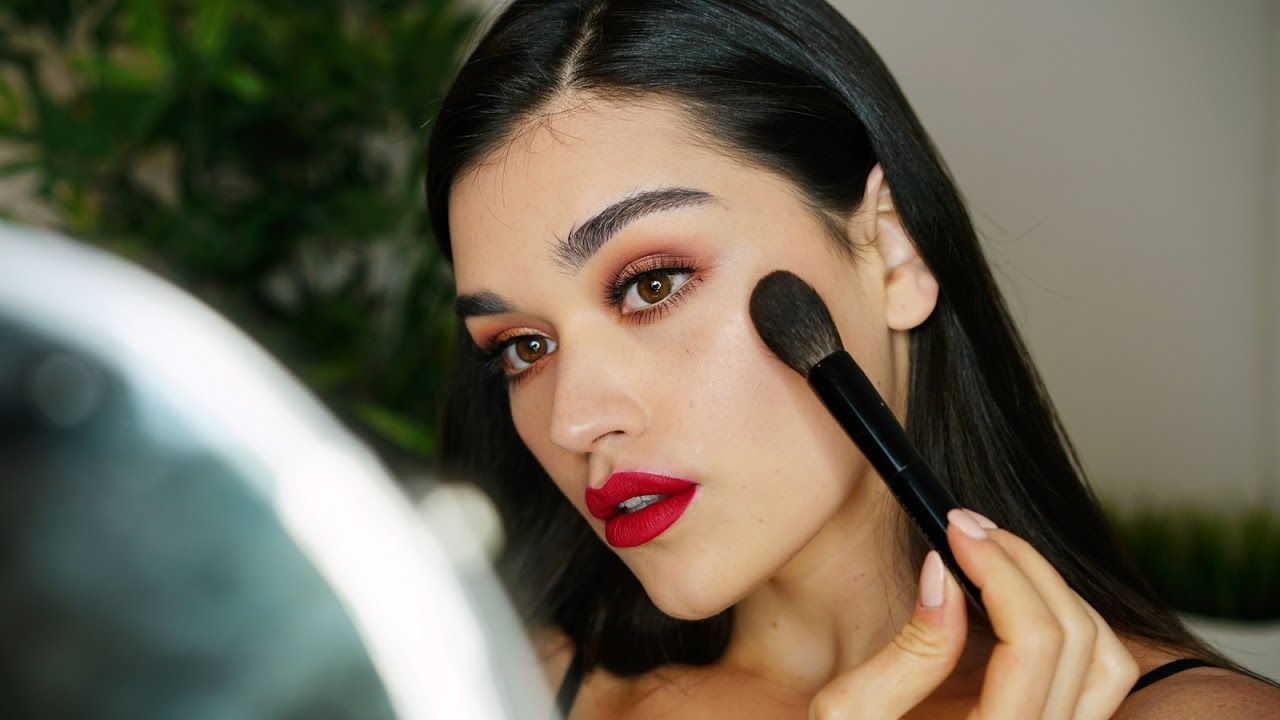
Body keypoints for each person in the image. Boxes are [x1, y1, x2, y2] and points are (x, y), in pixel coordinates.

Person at [425, 0, 1280, 717]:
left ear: (893, 251)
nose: (574, 419)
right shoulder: (500, 689)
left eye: (652, 285)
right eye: (523, 347)